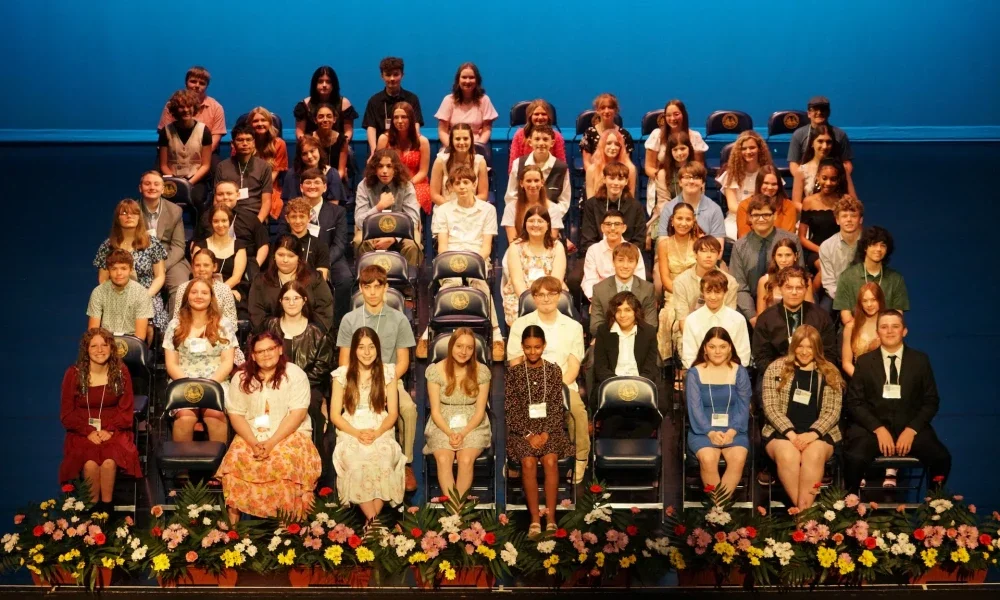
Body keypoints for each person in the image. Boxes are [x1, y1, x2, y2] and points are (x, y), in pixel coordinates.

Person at [843, 310, 951, 492]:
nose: (890, 331)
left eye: (895, 326)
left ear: (905, 331)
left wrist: (912, 429)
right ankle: (851, 510)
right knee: (853, 458)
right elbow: (855, 402)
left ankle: (935, 510)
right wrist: (878, 429)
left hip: (910, 428)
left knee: (941, 458)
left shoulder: (920, 360)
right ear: (878, 332)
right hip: (872, 429)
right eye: (884, 327)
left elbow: (931, 400)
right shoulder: (864, 361)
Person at [217, 331, 320, 521]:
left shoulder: (295, 374)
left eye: (270, 349)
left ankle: (287, 530)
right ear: (253, 356)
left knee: (284, 462)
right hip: (251, 434)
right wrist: (253, 442)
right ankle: (233, 532)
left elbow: (297, 415)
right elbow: (236, 414)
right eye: (260, 351)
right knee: (234, 460)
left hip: (290, 433)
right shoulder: (240, 377)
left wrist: (271, 443)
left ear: (280, 349)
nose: (266, 354)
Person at [336, 265, 418, 492]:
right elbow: (344, 361)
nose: (372, 292)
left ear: (386, 288)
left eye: (377, 286)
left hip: (390, 380)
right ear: (360, 289)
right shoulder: (350, 319)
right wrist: (356, 385)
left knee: (408, 408)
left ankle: (406, 462)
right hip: (356, 381)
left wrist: (383, 384)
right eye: (367, 287)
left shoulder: (399, 319)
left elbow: (402, 361)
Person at [507, 277, 589, 484]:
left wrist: (553, 389)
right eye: (540, 294)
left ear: (559, 296)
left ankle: (580, 458)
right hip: (527, 387)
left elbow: (573, 366)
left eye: (551, 294)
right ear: (533, 298)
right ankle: (515, 460)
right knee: (513, 409)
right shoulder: (520, 325)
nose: (546, 299)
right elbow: (516, 364)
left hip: (562, 385)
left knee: (577, 411)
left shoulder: (573, 327)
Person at [761, 325, 843, 509]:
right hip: (782, 433)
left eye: (810, 347)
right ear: (793, 346)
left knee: (812, 454)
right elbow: (771, 407)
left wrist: (812, 435)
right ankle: (805, 518)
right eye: (800, 346)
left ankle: (801, 517)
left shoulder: (830, 372)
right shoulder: (776, 369)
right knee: (787, 454)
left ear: (817, 348)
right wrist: (792, 435)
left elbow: (832, 411)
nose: (805, 352)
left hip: (820, 434)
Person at [59, 328, 142, 511]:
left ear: (112, 348)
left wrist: (109, 429)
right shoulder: (73, 374)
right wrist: (88, 432)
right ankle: (93, 516)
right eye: (94, 346)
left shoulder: (121, 372)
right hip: (82, 432)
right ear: (86, 350)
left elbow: (126, 408)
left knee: (108, 463)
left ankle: (107, 514)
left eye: (104, 345)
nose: (100, 350)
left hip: (114, 431)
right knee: (89, 464)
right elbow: (67, 414)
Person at [331, 327, 406, 523]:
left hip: (380, 426)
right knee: (357, 464)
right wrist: (356, 433)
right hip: (351, 427)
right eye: (361, 347)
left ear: (378, 349)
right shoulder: (342, 375)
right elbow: (335, 415)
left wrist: (378, 432)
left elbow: (393, 413)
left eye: (371, 347)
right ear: (354, 350)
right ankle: (375, 525)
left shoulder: (388, 373)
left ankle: (370, 526)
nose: (367, 352)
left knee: (382, 462)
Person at [505, 325, 574, 537]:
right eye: (528, 348)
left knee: (550, 460)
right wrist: (528, 434)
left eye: (537, 347)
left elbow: (555, 406)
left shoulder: (553, 371)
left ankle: (551, 518)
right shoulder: (514, 373)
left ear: (544, 346)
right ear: (522, 348)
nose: (532, 352)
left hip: (549, 430)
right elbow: (511, 409)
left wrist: (544, 433)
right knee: (527, 462)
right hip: (522, 431)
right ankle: (535, 519)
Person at [431, 164, 504, 359]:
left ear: (474, 184)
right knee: (450, 284)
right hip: (451, 260)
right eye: (457, 183)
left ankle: (496, 334)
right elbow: (442, 247)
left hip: (477, 259)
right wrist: (452, 267)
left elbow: (486, 246)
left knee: (479, 284)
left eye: (466, 182)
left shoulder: (488, 210)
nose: (462, 186)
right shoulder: (443, 210)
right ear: (451, 187)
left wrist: (473, 266)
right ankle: (431, 329)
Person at [263, 281, 336, 448]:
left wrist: (296, 385)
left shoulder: (317, 332)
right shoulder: (270, 327)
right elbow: (260, 355)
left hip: (310, 385)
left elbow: (322, 366)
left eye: (296, 298)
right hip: (271, 382)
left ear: (304, 300)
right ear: (280, 301)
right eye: (287, 298)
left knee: (311, 405)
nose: (291, 303)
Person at [163, 278, 236, 443]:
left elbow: (226, 362)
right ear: (187, 296)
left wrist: (208, 387)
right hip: (183, 381)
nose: (199, 296)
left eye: (204, 292)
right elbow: (171, 364)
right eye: (194, 292)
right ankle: (181, 468)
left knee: (215, 415)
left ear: (211, 297)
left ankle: (219, 467)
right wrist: (191, 386)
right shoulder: (175, 325)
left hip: (216, 382)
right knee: (185, 417)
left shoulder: (224, 325)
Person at [423, 328, 491, 498]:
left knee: (465, 459)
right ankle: (456, 513)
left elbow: (480, 411)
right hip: (442, 424)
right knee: (444, 459)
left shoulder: (482, 372)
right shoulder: (435, 371)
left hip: (473, 425)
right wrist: (450, 433)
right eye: (459, 346)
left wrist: (462, 433)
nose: (463, 352)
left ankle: (455, 513)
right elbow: (435, 411)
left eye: (469, 347)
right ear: (451, 346)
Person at [685, 327, 752, 494]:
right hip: (703, 430)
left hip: (734, 429)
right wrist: (710, 432)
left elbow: (744, 405)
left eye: (722, 346)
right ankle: (720, 514)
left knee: (738, 458)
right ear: (705, 349)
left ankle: (718, 513)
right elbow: (694, 408)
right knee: (708, 459)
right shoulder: (695, 373)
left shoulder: (739, 371)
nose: (717, 351)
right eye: (712, 346)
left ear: (730, 347)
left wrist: (731, 431)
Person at [279, 169, 351, 319]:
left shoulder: (338, 211)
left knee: (345, 279)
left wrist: (323, 261)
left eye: (317, 182)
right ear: (301, 187)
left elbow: (340, 243)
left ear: (325, 187)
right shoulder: (290, 210)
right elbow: (282, 237)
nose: (312, 186)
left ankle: (338, 323)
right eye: (308, 182)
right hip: (296, 256)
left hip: (331, 256)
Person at [93, 199, 168, 332]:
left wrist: (145, 295)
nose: (129, 216)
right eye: (124, 213)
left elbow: (160, 276)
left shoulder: (152, 243)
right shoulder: (107, 246)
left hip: (147, 293)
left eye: (134, 213)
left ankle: (141, 350)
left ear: (139, 217)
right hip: (115, 295)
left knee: (149, 320)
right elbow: (103, 279)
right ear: (117, 218)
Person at [751, 266, 838, 376]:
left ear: (806, 289)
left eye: (799, 288)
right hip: (776, 374)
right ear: (780, 288)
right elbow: (761, 357)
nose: (794, 292)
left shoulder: (821, 317)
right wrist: (781, 373)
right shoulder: (766, 319)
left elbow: (829, 354)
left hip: (813, 374)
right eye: (788, 287)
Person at [730, 196, 803, 324]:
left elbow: (800, 275)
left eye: (766, 215)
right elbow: (739, 286)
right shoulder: (739, 246)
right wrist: (753, 317)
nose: (761, 219)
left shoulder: (791, 240)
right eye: (756, 215)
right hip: (750, 303)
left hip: (784, 300)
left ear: (774, 216)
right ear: (750, 218)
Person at [664, 236, 738, 360]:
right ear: (695, 254)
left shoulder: (730, 282)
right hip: (689, 335)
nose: (708, 256)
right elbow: (683, 322)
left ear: (719, 254)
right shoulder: (681, 282)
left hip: (722, 337)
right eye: (703, 251)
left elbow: (730, 319)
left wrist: (715, 345)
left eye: (713, 251)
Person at [354, 148, 423, 267]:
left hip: (402, 232)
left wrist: (394, 238)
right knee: (359, 241)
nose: (384, 171)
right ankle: (368, 280)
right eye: (380, 166)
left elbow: (412, 219)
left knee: (413, 244)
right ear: (374, 169)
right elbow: (360, 221)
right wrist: (379, 207)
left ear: (396, 169)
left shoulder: (406, 185)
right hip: (372, 230)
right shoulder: (364, 185)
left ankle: (408, 282)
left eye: (389, 166)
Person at [249, 236, 333, 333]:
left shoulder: (314, 279)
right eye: (280, 255)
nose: (285, 260)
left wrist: (306, 333)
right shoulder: (260, 281)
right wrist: (279, 331)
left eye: (291, 256)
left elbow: (325, 311)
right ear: (274, 256)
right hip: (271, 338)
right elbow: (256, 315)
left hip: (309, 338)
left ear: (299, 258)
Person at [501, 207, 567, 326]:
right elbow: (517, 282)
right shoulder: (515, 247)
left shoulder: (557, 246)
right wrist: (532, 302)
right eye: (531, 221)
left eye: (540, 221)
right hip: (522, 296)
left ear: (547, 224)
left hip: (551, 294)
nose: (535, 224)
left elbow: (556, 281)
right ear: (525, 224)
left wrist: (545, 298)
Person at [592, 291, 659, 407]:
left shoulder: (649, 332)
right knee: (613, 420)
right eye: (618, 310)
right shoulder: (603, 332)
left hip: (641, 385)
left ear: (635, 312)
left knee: (644, 420)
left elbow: (650, 368)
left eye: (627, 310)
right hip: (612, 386)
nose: (622, 315)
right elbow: (601, 368)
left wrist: (636, 386)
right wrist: (619, 386)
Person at [834, 226, 910, 325]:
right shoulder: (847, 277)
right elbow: (846, 316)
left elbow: (897, 315)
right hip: (855, 333)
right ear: (865, 247)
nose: (878, 249)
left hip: (885, 334)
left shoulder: (896, 279)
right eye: (874, 244)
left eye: (883, 245)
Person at [137, 171, 189, 312]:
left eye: (156, 184)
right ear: (140, 188)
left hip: (169, 259)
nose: (152, 187)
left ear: (163, 189)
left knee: (180, 287)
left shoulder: (175, 211)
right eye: (147, 184)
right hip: (140, 259)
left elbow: (178, 246)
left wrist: (162, 266)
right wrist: (145, 264)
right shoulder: (132, 210)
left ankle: (174, 331)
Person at [681, 271, 752, 369]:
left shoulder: (738, 320)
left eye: (718, 292)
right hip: (700, 376)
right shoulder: (691, 320)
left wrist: (727, 372)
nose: (713, 297)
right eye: (708, 292)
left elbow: (743, 356)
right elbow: (689, 357)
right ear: (702, 292)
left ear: (725, 292)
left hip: (731, 376)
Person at [157, 90, 213, 212]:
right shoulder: (166, 132)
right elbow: (163, 165)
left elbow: (206, 165)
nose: (186, 110)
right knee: (162, 201)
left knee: (197, 200)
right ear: (175, 110)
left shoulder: (204, 131)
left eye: (189, 106)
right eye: (182, 107)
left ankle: (199, 231)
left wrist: (189, 183)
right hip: (172, 179)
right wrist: (175, 181)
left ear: (194, 108)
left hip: (196, 179)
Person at [196, 180, 270, 270]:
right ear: (215, 196)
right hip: (210, 268)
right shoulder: (206, 217)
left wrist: (255, 267)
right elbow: (196, 243)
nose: (225, 197)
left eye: (229, 193)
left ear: (237, 195)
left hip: (246, 268)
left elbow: (263, 244)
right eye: (220, 194)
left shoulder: (250, 218)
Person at [717, 131, 776, 241]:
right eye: (744, 148)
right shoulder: (731, 173)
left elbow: (774, 199)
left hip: (764, 216)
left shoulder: (768, 172)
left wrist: (760, 216)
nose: (748, 152)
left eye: (752, 147)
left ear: (759, 149)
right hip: (736, 218)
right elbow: (733, 207)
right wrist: (752, 216)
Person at [505, 124, 571, 221]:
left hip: (551, 220)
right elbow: (511, 196)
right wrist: (524, 217)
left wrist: (548, 218)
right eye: (537, 139)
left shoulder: (561, 168)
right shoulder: (518, 164)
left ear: (552, 143)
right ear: (530, 142)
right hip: (523, 219)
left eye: (545, 139)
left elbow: (564, 201)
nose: (541, 143)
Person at [578, 162, 646, 257]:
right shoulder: (591, 205)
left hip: (626, 257)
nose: (616, 183)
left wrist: (621, 257)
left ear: (626, 181)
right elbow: (588, 239)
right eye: (612, 178)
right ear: (604, 179)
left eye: (620, 179)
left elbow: (639, 241)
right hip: (598, 256)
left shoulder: (636, 206)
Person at [799, 159, 849, 287]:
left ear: (838, 180)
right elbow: (802, 238)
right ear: (817, 177)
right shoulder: (808, 201)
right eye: (824, 178)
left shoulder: (844, 201)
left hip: (840, 250)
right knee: (824, 268)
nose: (828, 183)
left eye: (833, 179)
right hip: (817, 250)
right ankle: (810, 301)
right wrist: (822, 250)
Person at [589, 243, 656, 336]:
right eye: (620, 260)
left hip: (639, 340)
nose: (625, 266)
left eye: (630, 261)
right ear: (613, 262)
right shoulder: (599, 289)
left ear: (636, 264)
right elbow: (595, 326)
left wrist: (629, 336)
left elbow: (651, 325)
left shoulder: (647, 289)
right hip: (608, 340)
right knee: (593, 350)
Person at [377, 101, 431, 213]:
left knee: (414, 201)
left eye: (404, 117)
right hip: (389, 182)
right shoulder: (384, 139)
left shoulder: (422, 142)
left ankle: (415, 228)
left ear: (411, 119)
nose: (400, 121)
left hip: (416, 183)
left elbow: (423, 172)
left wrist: (408, 184)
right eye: (396, 117)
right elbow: (378, 166)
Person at [656, 163, 726, 248]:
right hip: (674, 258)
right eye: (687, 177)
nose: (691, 181)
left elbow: (718, 249)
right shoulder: (668, 208)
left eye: (696, 177)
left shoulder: (715, 210)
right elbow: (663, 243)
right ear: (680, 182)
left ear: (703, 183)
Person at [157, 66, 226, 153]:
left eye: (202, 83)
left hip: (205, 154)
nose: (197, 86)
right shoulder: (171, 105)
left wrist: (194, 159)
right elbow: (165, 135)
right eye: (193, 81)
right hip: (173, 153)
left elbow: (214, 142)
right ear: (186, 83)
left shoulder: (216, 108)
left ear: (206, 86)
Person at [363, 57, 424, 154]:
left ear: (402, 75)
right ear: (382, 76)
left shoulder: (412, 99)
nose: (392, 79)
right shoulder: (374, 101)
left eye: (396, 74)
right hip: (383, 147)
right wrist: (374, 151)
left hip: (407, 148)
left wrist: (413, 149)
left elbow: (416, 124)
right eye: (388, 75)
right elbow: (371, 127)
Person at [787, 97, 854, 186]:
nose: (819, 112)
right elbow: (794, 164)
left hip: (833, 183)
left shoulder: (840, 135)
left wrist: (838, 181)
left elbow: (847, 164)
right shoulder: (798, 135)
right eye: (815, 109)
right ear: (809, 113)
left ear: (829, 113)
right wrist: (803, 181)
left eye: (823, 109)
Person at [213, 124, 272, 224]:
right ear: (232, 143)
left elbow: (267, 201)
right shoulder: (222, 167)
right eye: (240, 140)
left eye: (248, 140)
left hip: (254, 215)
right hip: (228, 216)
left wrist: (258, 222)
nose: (245, 143)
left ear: (254, 143)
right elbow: (216, 199)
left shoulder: (264, 167)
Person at [87, 249, 153, 337]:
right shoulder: (98, 292)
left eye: (123, 268)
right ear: (108, 271)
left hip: (132, 342)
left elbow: (140, 336)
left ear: (131, 269)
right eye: (114, 269)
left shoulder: (141, 293)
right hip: (107, 343)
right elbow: (93, 333)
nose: (119, 273)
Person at [582, 215, 647, 301]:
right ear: (602, 227)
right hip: (601, 297)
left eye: (617, 224)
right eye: (608, 224)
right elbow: (590, 280)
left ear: (624, 228)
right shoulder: (593, 250)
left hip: (628, 298)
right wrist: (596, 301)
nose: (612, 228)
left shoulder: (634, 249)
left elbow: (640, 279)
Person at [193, 204, 248, 306]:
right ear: (211, 222)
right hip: (204, 291)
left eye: (224, 221)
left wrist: (223, 292)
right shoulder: (200, 246)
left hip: (231, 290)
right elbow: (197, 275)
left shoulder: (239, 247)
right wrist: (212, 293)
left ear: (230, 222)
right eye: (216, 221)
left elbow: (236, 278)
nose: (220, 225)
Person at [435, 62, 498, 147]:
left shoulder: (484, 100)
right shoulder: (448, 100)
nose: (467, 81)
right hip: (452, 147)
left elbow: (487, 130)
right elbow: (442, 131)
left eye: (471, 77)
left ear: (477, 80)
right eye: (464, 77)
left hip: (476, 147)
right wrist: (453, 148)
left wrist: (478, 147)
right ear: (458, 79)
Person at [656, 202, 704, 312]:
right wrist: (682, 293)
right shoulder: (664, 245)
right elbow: (665, 279)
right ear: (672, 220)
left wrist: (694, 294)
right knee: (673, 314)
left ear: (693, 222)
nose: (683, 223)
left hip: (698, 293)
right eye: (679, 218)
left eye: (688, 219)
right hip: (673, 293)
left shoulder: (700, 243)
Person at [644, 99, 708, 180]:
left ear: (683, 115)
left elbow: (699, 167)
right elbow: (649, 168)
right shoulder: (656, 135)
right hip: (662, 182)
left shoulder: (695, 136)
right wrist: (663, 181)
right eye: (668, 115)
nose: (672, 118)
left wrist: (685, 182)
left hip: (688, 183)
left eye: (676, 114)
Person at [818, 196, 864, 309]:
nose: (849, 219)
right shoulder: (826, 246)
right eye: (844, 216)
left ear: (860, 219)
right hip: (837, 294)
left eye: (853, 216)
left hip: (866, 295)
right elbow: (829, 283)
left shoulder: (870, 243)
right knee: (822, 312)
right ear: (837, 220)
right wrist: (845, 301)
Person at [173, 249, 239, 326]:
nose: (201, 269)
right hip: (189, 333)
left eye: (206, 265)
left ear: (214, 267)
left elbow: (232, 322)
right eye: (197, 265)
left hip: (217, 333)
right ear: (192, 267)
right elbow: (177, 318)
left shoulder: (224, 290)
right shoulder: (183, 288)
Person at [293, 66, 357, 144]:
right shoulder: (305, 105)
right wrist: (309, 147)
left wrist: (341, 146)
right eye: (320, 81)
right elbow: (300, 133)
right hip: (311, 148)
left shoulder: (344, 103)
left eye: (328, 81)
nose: (324, 85)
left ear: (334, 84)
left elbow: (348, 132)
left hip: (338, 146)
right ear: (314, 84)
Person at [430, 123, 489, 207]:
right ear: (452, 141)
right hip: (445, 209)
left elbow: (483, 195)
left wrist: (466, 207)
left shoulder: (480, 162)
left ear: (471, 140)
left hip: (472, 208)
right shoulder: (440, 161)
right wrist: (453, 209)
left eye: (465, 138)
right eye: (457, 139)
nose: (462, 142)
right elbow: (434, 195)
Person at [501, 164, 564, 243]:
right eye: (528, 181)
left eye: (536, 180)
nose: (533, 185)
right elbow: (513, 242)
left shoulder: (553, 208)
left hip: (545, 252)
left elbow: (551, 241)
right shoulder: (510, 208)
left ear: (542, 182)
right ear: (521, 183)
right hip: (518, 252)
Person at [247, 107, 289, 219]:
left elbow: (273, 175)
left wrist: (258, 191)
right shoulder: (243, 143)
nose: (260, 124)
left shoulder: (279, 144)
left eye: (263, 120)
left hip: (269, 186)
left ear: (270, 123)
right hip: (246, 185)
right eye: (255, 121)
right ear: (250, 124)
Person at [735, 167, 798, 239]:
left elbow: (787, 237)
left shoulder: (788, 206)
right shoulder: (744, 205)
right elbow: (744, 237)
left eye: (774, 184)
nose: (770, 187)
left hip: (780, 248)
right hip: (752, 248)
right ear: (759, 183)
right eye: (766, 183)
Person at [756, 239, 815, 316]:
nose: (783, 260)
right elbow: (761, 314)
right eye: (780, 255)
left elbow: (809, 312)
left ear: (795, 256)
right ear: (774, 257)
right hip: (772, 325)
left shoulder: (805, 279)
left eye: (788, 255)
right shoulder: (764, 281)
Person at [282, 136, 347, 204]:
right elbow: (290, 204)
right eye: (304, 154)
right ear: (300, 157)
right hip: (299, 213)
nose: (309, 156)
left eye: (312, 151)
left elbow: (334, 208)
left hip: (325, 214)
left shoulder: (332, 174)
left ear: (319, 150)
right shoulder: (292, 174)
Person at [508, 99, 566, 171]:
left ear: (549, 117)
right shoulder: (519, 135)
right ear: (530, 116)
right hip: (526, 179)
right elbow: (513, 167)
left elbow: (562, 166)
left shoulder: (557, 136)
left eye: (544, 114)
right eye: (536, 114)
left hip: (550, 178)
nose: (540, 117)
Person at [580, 93, 635, 171]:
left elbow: (626, 163)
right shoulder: (589, 133)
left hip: (617, 179)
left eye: (610, 107)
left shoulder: (624, 135)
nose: (606, 111)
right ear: (597, 110)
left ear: (616, 110)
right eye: (602, 108)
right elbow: (587, 163)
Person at [841, 283, 886, 377]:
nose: (869, 305)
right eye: (865, 301)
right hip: (858, 379)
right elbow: (846, 363)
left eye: (873, 300)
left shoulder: (888, 326)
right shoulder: (851, 327)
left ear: (880, 300)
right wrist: (861, 380)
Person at [649, 131, 694, 219]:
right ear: (670, 152)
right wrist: (675, 218)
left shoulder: (697, 171)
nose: (679, 153)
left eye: (682, 148)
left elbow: (698, 198)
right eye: (675, 150)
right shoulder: (663, 173)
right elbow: (663, 201)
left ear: (689, 148)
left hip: (693, 214)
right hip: (668, 216)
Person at [282, 198, 330, 280]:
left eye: (302, 216)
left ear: (309, 218)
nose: (298, 221)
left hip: (312, 289)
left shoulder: (321, 246)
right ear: (287, 219)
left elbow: (321, 279)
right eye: (293, 217)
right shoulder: (281, 244)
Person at [791, 125, 837, 209]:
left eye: (828, 142)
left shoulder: (840, 168)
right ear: (812, 143)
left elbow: (851, 200)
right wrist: (813, 213)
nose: (824, 146)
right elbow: (796, 203)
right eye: (820, 141)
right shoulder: (802, 171)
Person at [585, 128, 637, 198]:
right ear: (602, 145)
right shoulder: (591, 170)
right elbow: (590, 200)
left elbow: (631, 199)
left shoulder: (630, 169)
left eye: (617, 144)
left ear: (621, 147)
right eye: (608, 143)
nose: (613, 147)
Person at [310, 102, 349, 182]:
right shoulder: (309, 139)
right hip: (313, 180)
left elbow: (341, 171)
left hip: (335, 180)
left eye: (329, 116)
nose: (325, 120)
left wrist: (331, 183)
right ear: (315, 120)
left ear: (334, 119)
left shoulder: (342, 140)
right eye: (321, 117)